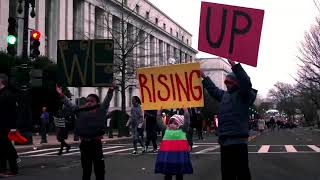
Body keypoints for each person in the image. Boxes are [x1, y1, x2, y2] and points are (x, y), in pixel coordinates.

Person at [201, 59, 257, 180]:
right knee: (227, 174)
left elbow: (246, 82)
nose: (227, 84)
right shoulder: (224, 95)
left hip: (238, 141)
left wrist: (234, 66)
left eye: (230, 82)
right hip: (225, 141)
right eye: (226, 82)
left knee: (242, 173)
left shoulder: (244, 95)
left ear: (236, 83)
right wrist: (204, 77)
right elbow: (213, 90)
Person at [56, 84, 114, 180]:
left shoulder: (101, 110)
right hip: (84, 144)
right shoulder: (80, 110)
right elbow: (69, 104)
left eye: (92, 101)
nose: (89, 103)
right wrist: (61, 94)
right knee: (86, 170)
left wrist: (111, 90)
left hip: (96, 144)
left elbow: (107, 100)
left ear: (97, 103)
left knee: (99, 170)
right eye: (87, 101)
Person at [155, 107, 193, 180]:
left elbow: (187, 122)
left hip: (179, 159)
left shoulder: (182, 130)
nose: (172, 124)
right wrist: (158, 112)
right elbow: (159, 122)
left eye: (175, 123)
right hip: (168, 159)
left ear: (179, 125)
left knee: (179, 175)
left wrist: (186, 111)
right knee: (168, 175)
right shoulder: (166, 129)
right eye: (170, 122)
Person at [0, 74, 19, 177]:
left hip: (5, 126)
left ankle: (10, 169)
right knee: (4, 148)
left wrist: (13, 127)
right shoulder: (3, 94)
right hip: (2, 125)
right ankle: (5, 169)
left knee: (6, 148)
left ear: (1, 81)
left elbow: (13, 112)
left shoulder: (8, 94)